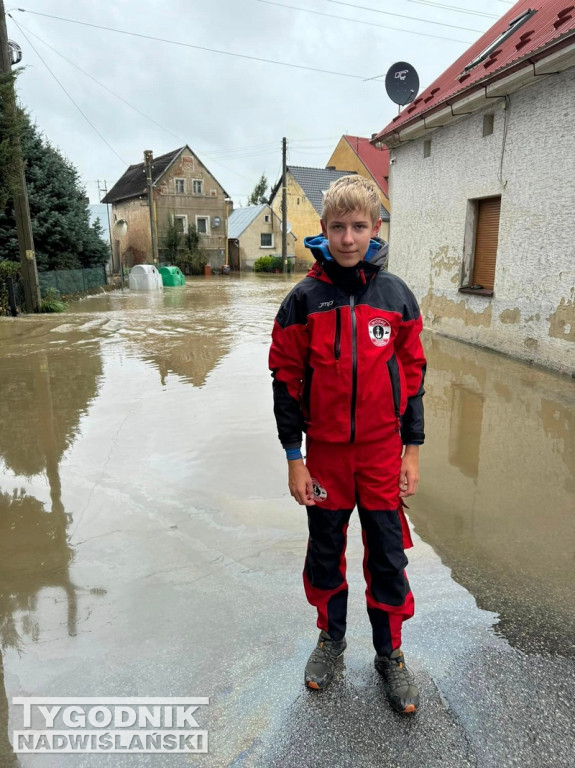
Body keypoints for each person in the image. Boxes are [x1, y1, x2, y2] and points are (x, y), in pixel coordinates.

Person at [269, 175, 426, 714]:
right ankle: (330, 641)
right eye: (338, 227)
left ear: (375, 229)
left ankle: (390, 655)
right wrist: (295, 459)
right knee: (325, 552)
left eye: (359, 226)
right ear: (324, 230)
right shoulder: (303, 301)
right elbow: (285, 382)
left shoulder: (397, 297)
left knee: (387, 556)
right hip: (327, 457)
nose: (349, 237)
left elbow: (413, 376)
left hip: (382, 454)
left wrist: (413, 450)